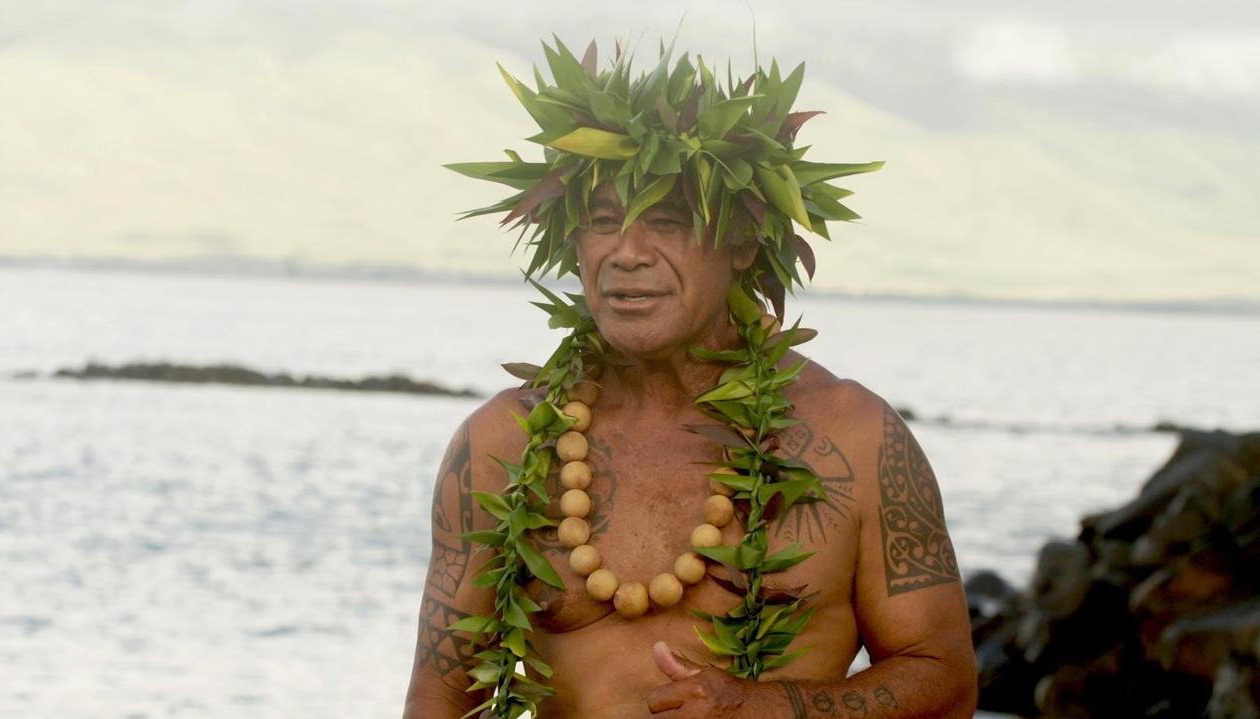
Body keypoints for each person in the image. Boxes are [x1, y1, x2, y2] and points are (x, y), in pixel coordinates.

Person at [404, 39, 977, 719]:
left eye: (668, 222)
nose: (627, 254)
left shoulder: (854, 436)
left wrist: (764, 709)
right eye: (603, 222)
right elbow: (442, 694)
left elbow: (944, 681)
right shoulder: (504, 442)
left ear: (743, 243)